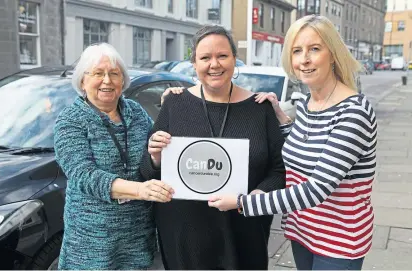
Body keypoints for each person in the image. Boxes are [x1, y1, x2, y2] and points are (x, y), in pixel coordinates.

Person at [207, 15, 377, 270]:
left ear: (333, 54)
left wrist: (243, 203)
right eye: (297, 51)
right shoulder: (309, 103)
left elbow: (317, 188)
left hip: (338, 241)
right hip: (304, 231)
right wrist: (282, 120)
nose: (304, 59)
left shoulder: (353, 112)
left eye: (314, 49)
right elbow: (306, 152)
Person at [140, 25, 286, 269]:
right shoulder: (175, 104)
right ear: (194, 64)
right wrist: (155, 156)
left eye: (222, 56)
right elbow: (147, 172)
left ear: (234, 59)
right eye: (205, 57)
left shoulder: (259, 109)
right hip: (185, 237)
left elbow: (280, 170)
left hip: (243, 232)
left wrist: (259, 195)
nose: (214, 64)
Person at [54, 43, 174, 270]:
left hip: (137, 236)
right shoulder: (70, 121)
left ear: (123, 81)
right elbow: (84, 175)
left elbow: (151, 158)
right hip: (92, 242)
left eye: (114, 74)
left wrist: (157, 154)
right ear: (82, 81)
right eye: (98, 73)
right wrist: (140, 190)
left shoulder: (136, 112)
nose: (107, 81)